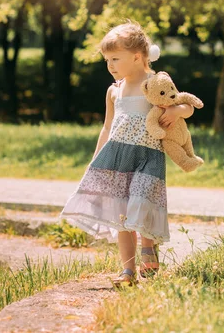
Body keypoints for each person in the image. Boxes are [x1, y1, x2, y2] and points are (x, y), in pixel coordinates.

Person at [60, 20, 195, 287]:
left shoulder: (154, 83)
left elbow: (186, 106)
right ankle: (127, 271)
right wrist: (96, 159)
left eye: (115, 59)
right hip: (118, 158)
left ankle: (149, 252)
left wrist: (176, 111)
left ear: (136, 57)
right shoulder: (114, 90)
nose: (110, 65)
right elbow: (107, 127)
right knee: (120, 213)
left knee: (142, 203)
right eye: (107, 60)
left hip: (148, 157)